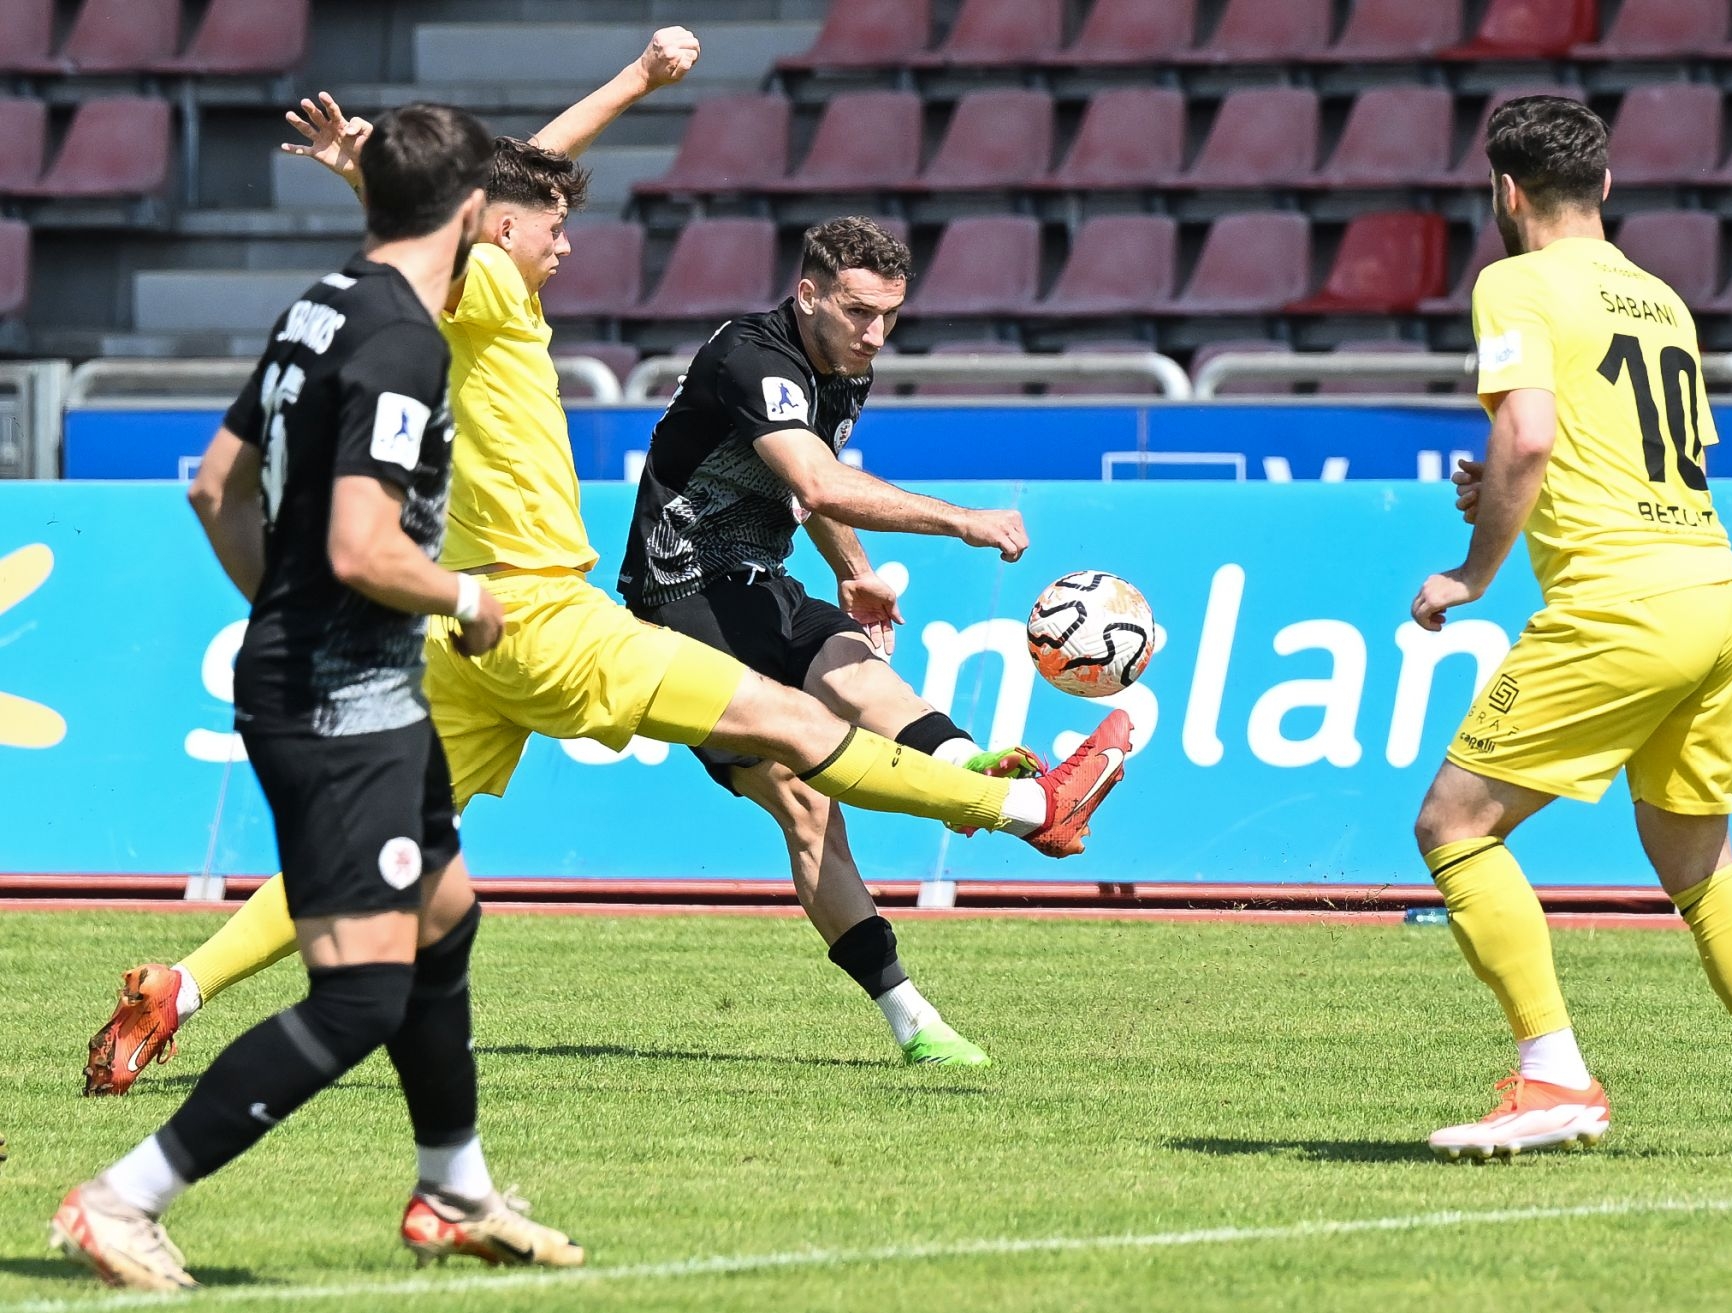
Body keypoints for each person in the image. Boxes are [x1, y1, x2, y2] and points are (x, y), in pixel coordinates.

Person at [84, 31, 1131, 1098]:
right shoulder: (488, 294)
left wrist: (628, 85)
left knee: (376, 850)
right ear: (495, 231)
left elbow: (510, 187)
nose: (569, 246)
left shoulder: (434, 302)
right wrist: (395, 168)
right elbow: (499, 200)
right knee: (796, 730)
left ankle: (180, 987)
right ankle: (1026, 809)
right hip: (545, 616)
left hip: (461, 635)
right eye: (556, 228)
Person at [53, 104, 584, 1291]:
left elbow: (215, 488)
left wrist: (282, 606)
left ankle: (454, 1189)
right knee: (361, 995)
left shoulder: (320, 305)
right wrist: (466, 594)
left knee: (445, 912)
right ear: (472, 215)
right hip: (343, 701)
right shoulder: (402, 340)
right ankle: (121, 1196)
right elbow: (360, 545)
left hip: (355, 679)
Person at [1409, 95, 1732, 1163]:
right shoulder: (1660, 299)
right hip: (1716, 591)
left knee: (1454, 825)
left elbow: (1531, 433)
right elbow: (1631, 453)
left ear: (1505, 190)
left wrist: (1473, 571)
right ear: (1604, 185)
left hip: (1620, 601)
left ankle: (1555, 1076)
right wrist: (1509, 485)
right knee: (1701, 865)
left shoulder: (1512, 281)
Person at [622, 216, 1130, 1066]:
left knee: (859, 671)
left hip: (761, 582)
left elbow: (805, 491)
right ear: (808, 294)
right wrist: (962, 520)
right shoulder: (752, 358)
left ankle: (982, 771)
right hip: (679, 597)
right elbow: (819, 480)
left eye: (890, 314)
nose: (875, 333)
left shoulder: (845, 367)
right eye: (859, 311)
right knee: (805, 803)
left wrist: (853, 572)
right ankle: (915, 1017)